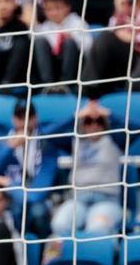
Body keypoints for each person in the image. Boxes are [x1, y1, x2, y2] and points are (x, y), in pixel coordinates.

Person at [0, 100, 58, 237]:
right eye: (20, 117)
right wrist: (9, 148)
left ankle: (40, 255)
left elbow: (37, 195)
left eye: (29, 117)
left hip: (33, 201)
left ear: (36, 118)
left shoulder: (46, 145)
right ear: (13, 119)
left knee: (38, 212)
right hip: (5, 200)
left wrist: (9, 183)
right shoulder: (1, 144)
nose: (24, 122)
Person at [50, 101, 123, 237]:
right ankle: (68, 258)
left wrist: (108, 114)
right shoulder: (75, 141)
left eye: (99, 122)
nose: (94, 125)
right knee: (59, 224)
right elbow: (49, 134)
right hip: (78, 199)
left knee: (97, 229)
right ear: (83, 125)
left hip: (106, 199)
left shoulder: (115, 140)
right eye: (88, 121)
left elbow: (138, 126)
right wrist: (76, 116)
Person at [32, 0, 91, 88]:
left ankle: (66, 85)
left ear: (67, 8)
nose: (54, 13)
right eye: (49, 9)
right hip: (54, 67)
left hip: (75, 66)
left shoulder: (78, 23)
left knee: (69, 43)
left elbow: (89, 48)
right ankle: (47, 85)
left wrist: (73, 38)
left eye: (58, 8)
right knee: (39, 41)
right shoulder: (44, 27)